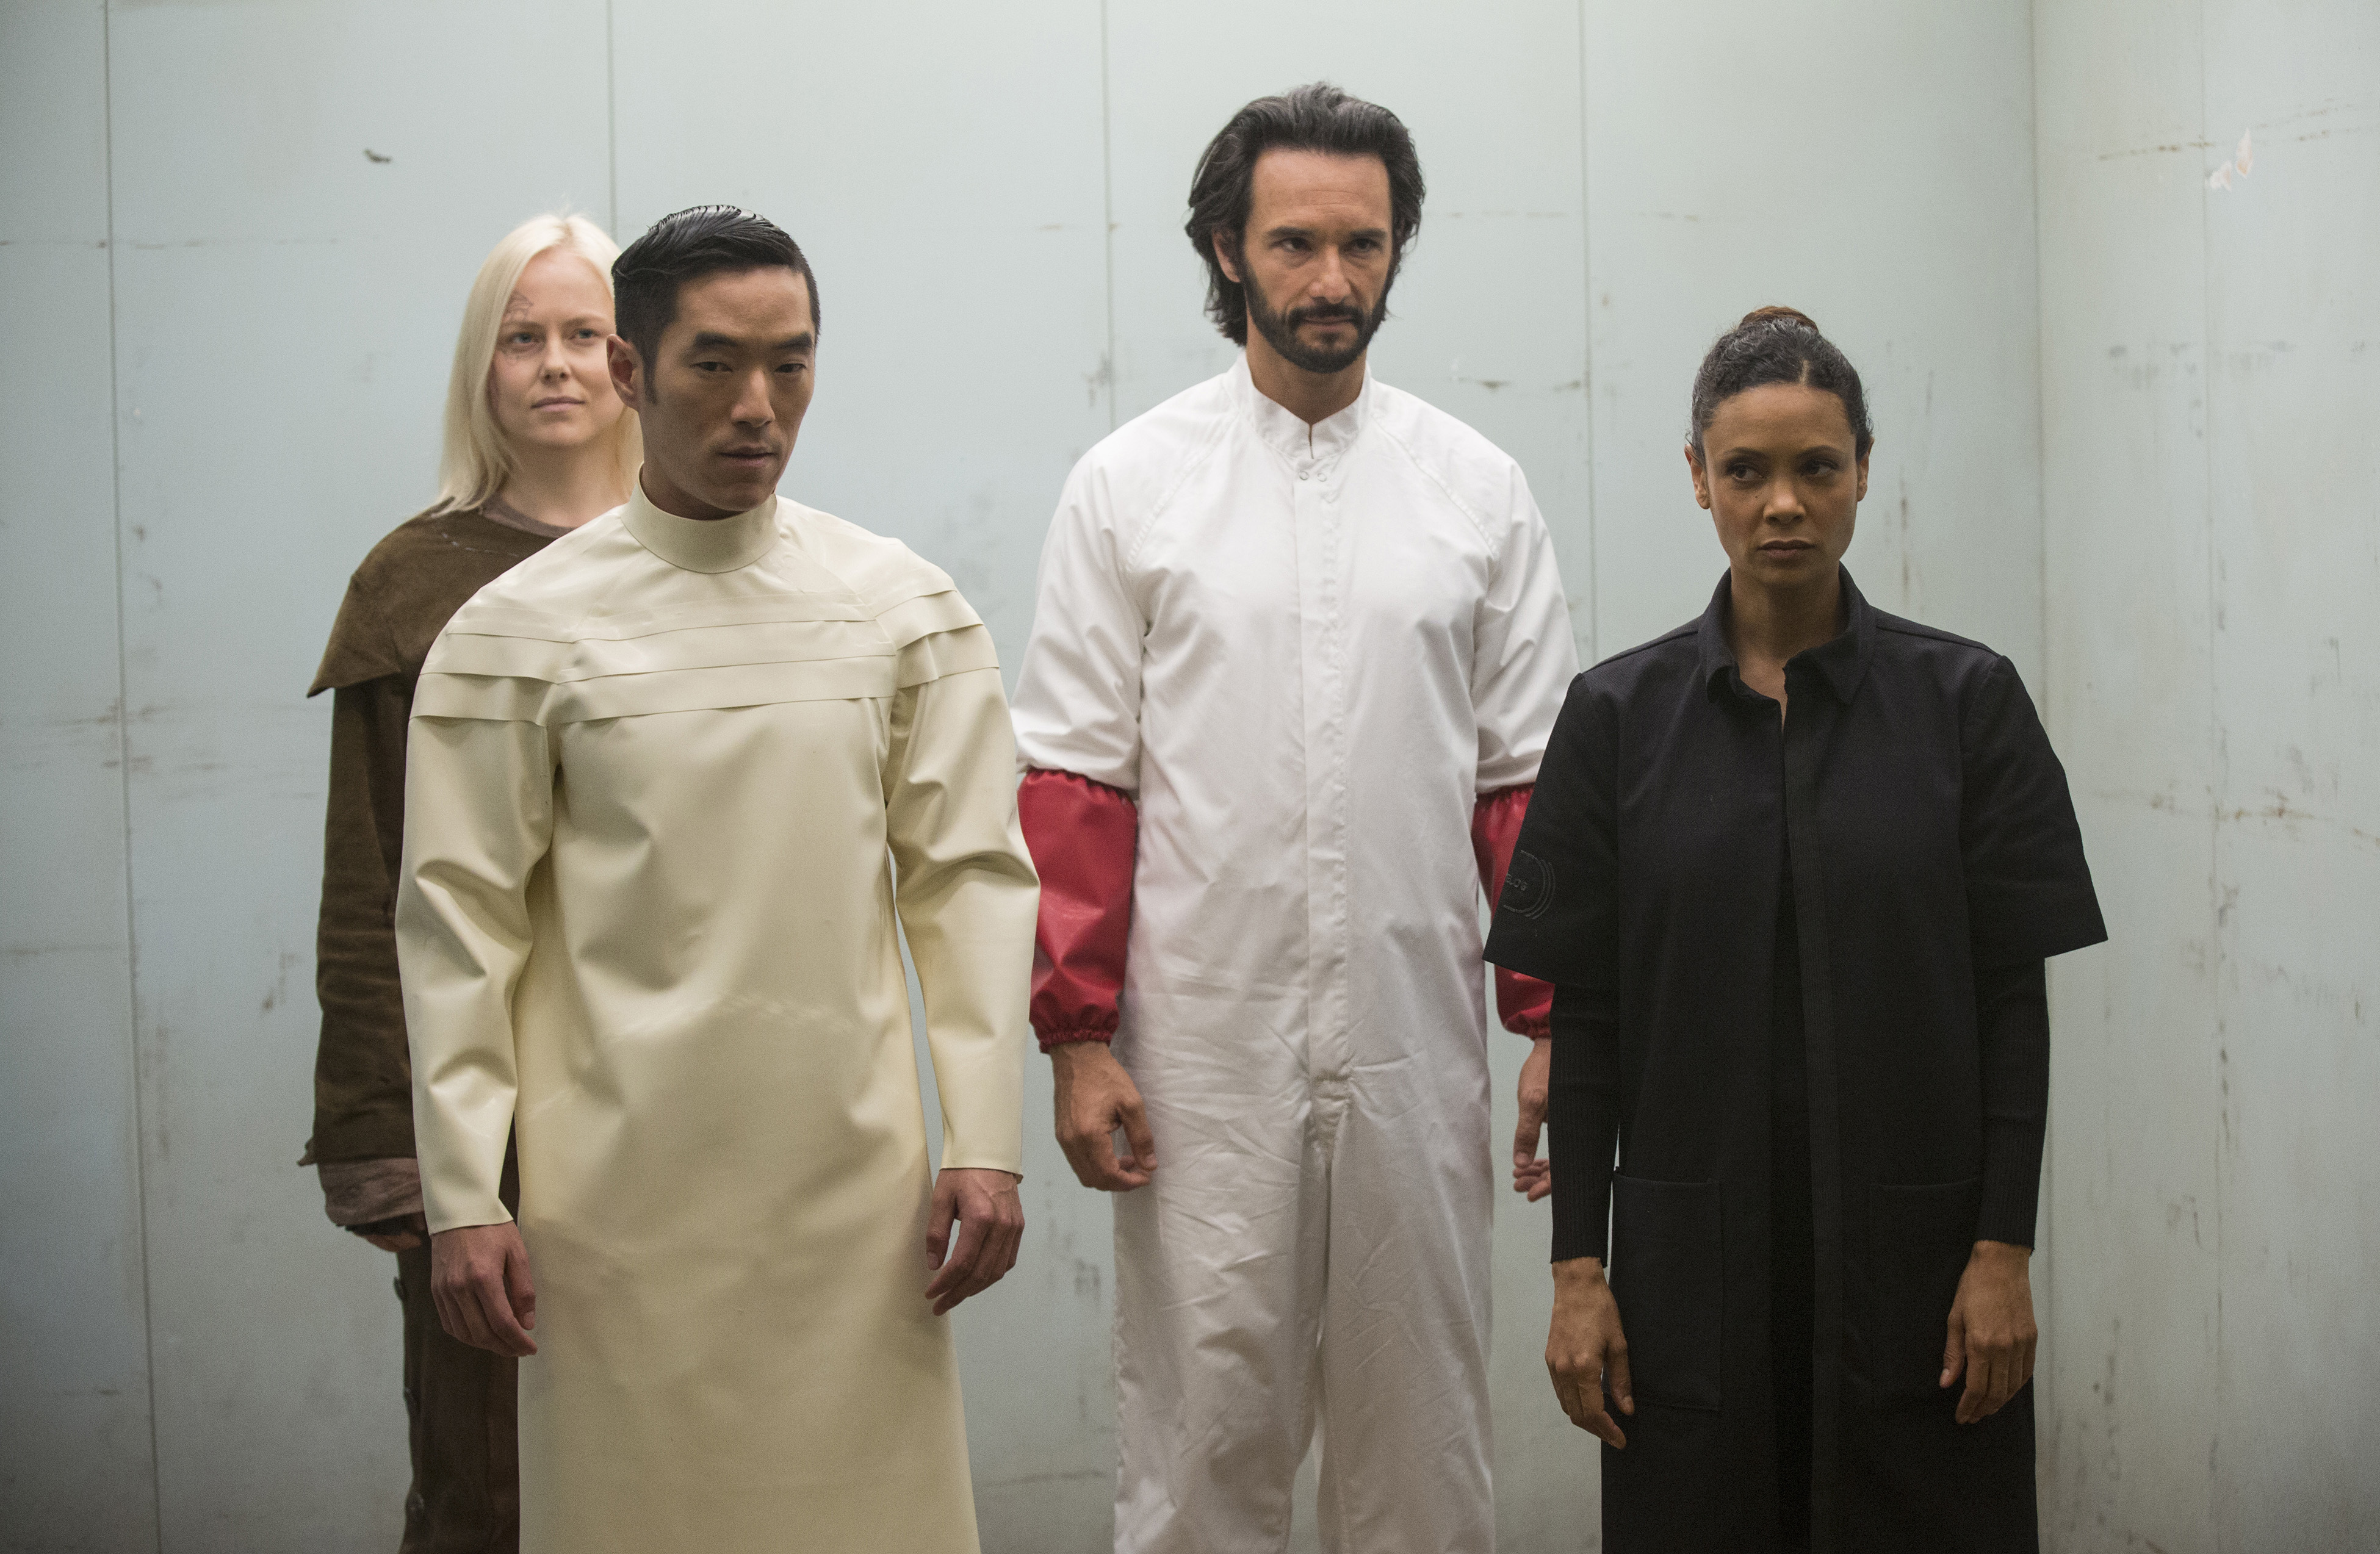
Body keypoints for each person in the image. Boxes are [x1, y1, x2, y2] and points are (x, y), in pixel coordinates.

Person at [396, 205, 1036, 1554]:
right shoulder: (512, 636)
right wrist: (464, 1192)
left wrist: (984, 1138)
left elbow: (970, 879)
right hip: (611, 1211)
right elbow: (458, 922)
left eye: (791, 364)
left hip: (854, 1201)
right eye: (716, 364)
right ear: (631, 371)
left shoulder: (902, 610)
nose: (759, 406)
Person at [1011, 84, 1578, 1553]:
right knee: (1203, 1437)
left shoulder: (1476, 491)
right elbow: (1078, 784)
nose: (1333, 279)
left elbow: (1528, 789)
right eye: (1296, 243)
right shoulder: (1131, 488)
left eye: (1363, 244)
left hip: (1416, 1041)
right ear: (1226, 249)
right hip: (1196, 1054)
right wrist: (1077, 1036)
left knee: (1424, 1441)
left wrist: (1555, 1022)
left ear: (1397, 250)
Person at [1490, 307, 2106, 1553]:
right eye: (1747, 470)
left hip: (1919, 1261)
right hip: (1691, 1270)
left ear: (1864, 470)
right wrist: (1576, 1273)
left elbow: (2012, 1006)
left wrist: (2003, 1249)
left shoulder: (1967, 703)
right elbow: (1588, 1021)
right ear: (1698, 478)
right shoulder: (1616, 719)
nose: (1783, 503)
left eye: (1817, 466)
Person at [301, 210, 639, 1553]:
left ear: (633, 357)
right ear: (479, 368)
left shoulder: (714, 564)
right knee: (487, 1479)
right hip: (483, 1116)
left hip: (667, 1099)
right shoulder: (414, 583)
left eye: (584, 333)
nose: (555, 364)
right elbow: (371, 880)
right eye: (521, 337)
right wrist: (389, 1144)